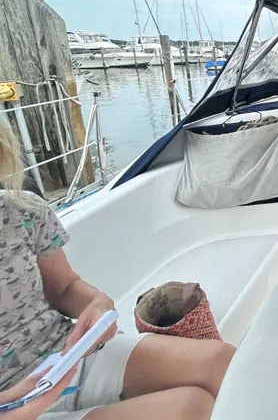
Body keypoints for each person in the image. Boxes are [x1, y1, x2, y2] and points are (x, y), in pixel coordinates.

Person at [0, 123, 236, 419]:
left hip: (65, 356)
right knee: (188, 409)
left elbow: (63, 288)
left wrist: (98, 304)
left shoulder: (20, 211)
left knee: (223, 362)